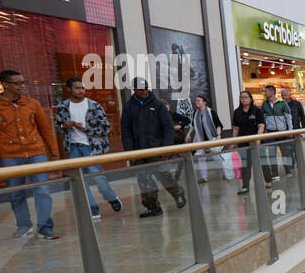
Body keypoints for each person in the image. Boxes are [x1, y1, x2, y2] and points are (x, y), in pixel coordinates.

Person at [0, 69, 62, 239]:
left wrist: (53, 152)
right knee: (16, 192)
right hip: (9, 155)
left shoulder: (32, 104)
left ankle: (45, 226)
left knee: (43, 190)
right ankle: (24, 225)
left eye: (23, 83)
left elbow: (45, 129)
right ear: (5, 85)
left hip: (36, 152)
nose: (22, 86)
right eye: (18, 83)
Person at [55, 77, 121, 220]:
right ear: (69, 89)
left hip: (91, 147)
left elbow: (105, 128)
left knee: (98, 178)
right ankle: (93, 208)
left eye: (82, 88)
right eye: (77, 88)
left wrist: (85, 128)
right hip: (73, 147)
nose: (81, 91)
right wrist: (63, 126)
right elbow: (58, 127)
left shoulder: (94, 105)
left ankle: (111, 198)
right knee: (81, 181)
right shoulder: (63, 107)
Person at [121, 77, 186, 218]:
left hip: (157, 150)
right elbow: (125, 132)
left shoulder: (158, 105)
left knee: (164, 175)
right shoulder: (128, 107)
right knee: (144, 181)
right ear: (134, 90)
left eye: (146, 88)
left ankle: (179, 195)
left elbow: (168, 129)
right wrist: (129, 153)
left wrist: (166, 148)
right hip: (139, 152)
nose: (144, 91)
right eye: (141, 89)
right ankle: (153, 207)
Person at [186, 93, 230, 183]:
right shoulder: (196, 113)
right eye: (196, 100)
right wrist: (188, 134)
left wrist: (218, 136)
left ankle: (227, 172)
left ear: (204, 102)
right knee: (201, 157)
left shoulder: (211, 112)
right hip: (200, 139)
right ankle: (204, 177)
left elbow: (218, 125)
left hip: (212, 138)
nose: (196, 102)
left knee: (217, 157)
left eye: (199, 101)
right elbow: (193, 125)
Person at [230, 88, 267, 194]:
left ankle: (267, 180)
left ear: (250, 99)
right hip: (243, 142)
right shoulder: (237, 112)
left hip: (257, 141)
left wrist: (258, 139)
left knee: (262, 162)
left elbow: (261, 125)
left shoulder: (257, 111)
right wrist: (233, 142)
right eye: (241, 97)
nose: (243, 99)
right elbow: (236, 128)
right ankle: (245, 186)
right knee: (245, 164)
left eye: (246, 97)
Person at [261, 86, 294, 178]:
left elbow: (288, 117)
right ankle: (274, 173)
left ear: (272, 92)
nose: (265, 93)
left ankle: (288, 170)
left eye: (266, 91)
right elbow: (263, 118)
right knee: (272, 153)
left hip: (282, 133)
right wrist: (264, 131)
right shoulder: (264, 104)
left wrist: (290, 131)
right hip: (270, 133)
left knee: (285, 152)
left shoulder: (282, 103)